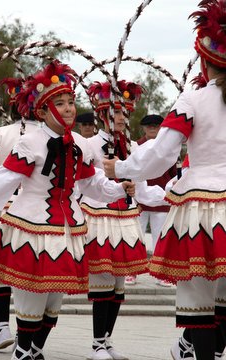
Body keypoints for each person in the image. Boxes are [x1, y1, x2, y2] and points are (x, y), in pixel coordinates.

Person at [0, 60, 135, 360]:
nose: (69, 108)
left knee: (52, 307)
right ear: (43, 111)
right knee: (31, 303)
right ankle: (23, 350)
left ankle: (32, 350)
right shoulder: (29, 142)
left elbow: (92, 182)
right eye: (60, 103)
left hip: (68, 232)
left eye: (71, 101)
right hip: (31, 229)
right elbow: (4, 179)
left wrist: (118, 188)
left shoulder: (79, 145)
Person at [103, 1, 226, 359]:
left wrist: (122, 168)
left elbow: (163, 152)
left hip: (204, 208)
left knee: (199, 306)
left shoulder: (194, 99)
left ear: (203, 60)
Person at [81, 80, 167, 360]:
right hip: (99, 217)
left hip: (126, 218)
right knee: (102, 282)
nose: (121, 118)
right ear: (103, 114)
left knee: (118, 287)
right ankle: (96, 344)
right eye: (116, 113)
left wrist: (172, 194)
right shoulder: (89, 144)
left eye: (125, 114)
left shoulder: (131, 145)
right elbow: (82, 185)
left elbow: (142, 189)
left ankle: (106, 342)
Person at [0, 77, 41, 352]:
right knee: (27, 272)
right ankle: (26, 333)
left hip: (1, 207)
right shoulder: (49, 136)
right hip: (35, 210)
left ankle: (3, 325)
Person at [125, 114, 177, 287]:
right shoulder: (134, 147)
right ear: (143, 128)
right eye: (149, 126)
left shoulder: (168, 148)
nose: (153, 128)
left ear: (161, 128)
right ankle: (131, 272)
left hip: (161, 201)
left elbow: (173, 175)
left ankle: (161, 274)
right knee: (135, 237)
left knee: (160, 239)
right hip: (139, 200)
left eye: (156, 125)